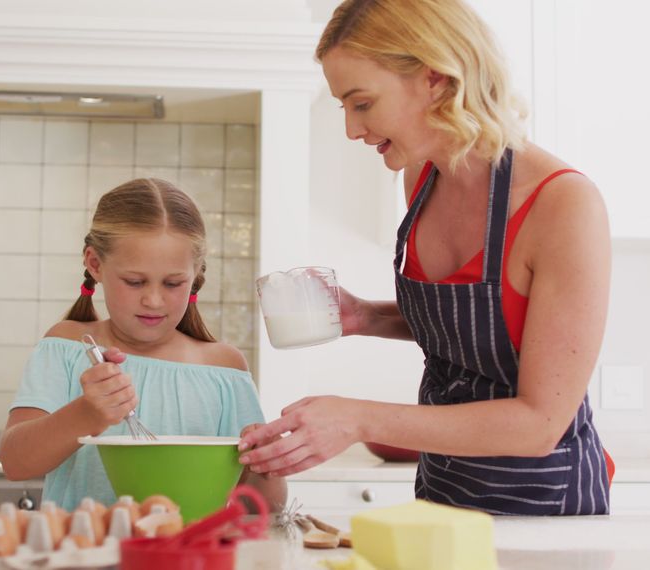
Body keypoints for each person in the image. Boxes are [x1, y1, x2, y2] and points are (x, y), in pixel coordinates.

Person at [239, 0, 614, 515]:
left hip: (544, 507)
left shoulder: (562, 204)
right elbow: (479, 329)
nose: (351, 129)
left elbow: (540, 423)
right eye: (343, 107)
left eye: (362, 103)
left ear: (436, 79)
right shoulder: (419, 180)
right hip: (441, 492)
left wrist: (358, 418)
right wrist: (368, 317)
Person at [0, 178, 287, 512]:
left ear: (195, 274)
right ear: (95, 265)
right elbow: (16, 463)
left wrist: (266, 461)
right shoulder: (67, 346)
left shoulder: (223, 368)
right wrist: (85, 415)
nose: (153, 300)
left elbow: (264, 507)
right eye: (134, 282)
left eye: (173, 283)